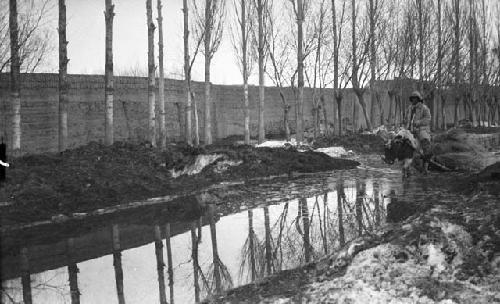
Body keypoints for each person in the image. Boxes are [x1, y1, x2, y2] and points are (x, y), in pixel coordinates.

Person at [406, 91, 432, 173]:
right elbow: (407, 119)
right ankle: (409, 167)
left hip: (422, 130)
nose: (413, 100)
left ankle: (425, 168)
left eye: (415, 98)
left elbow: (428, 119)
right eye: (412, 98)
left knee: (426, 147)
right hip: (411, 131)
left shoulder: (424, 108)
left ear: (418, 99)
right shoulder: (410, 108)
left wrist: (419, 122)